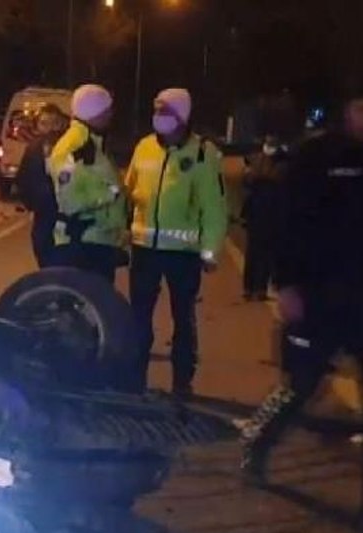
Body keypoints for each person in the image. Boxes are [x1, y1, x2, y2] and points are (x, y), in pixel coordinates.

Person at [240, 83, 363, 493]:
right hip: (317, 293)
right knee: (300, 384)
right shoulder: (317, 156)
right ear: (348, 110)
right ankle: (256, 443)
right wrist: (287, 284)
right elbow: (286, 224)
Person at [124, 88, 227, 396]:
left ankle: (182, 382)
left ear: (183, 117)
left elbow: (214, 207)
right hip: (145, 249)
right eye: (157, 110)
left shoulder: (202, 154)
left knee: (183, 319)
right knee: (139, 318)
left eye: (166, 111)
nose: (159, 117)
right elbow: (130, 190)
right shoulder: (144, 147)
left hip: (183, 254)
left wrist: (210, 251)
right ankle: (134, 380)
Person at [47, 84, 128, 283]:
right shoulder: (76, 145)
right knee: (87, 299)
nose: (111, 114)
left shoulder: (93, 143)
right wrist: (110, 193)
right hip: (82, 242)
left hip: (98, 242)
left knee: (96, 299)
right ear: (94, 113)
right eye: (106, 110)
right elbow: (70, 200)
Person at [17, 103, 69, 268]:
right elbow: (23, 179)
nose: (49, 129)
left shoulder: (71, 147)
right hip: (44, 215)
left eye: (54, 123)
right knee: (46, 259)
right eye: (44, 123)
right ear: (38, 126)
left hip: (67, 216)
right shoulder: (33, 149)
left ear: (62, 124)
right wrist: (33, 205)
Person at [240, 135, 289, 301]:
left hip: (258, 211)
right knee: (264, 251)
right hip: (269, 211)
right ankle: (258, 288)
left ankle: (251, 288)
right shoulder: (280, 164)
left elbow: (247, 181)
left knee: (255, 251)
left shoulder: (257, 162)